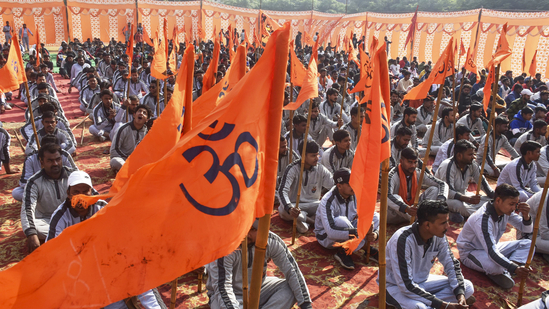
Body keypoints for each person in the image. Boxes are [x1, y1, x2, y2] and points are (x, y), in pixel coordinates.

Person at [46, 171, 166, 309]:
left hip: (107, 263)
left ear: (92, 191)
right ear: (68, 193)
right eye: (76, 192)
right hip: (77, 270)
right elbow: (51, 254)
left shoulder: (102, 207)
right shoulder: (60, 216)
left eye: (86, 191)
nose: (81, 197)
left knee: (138, 271)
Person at [383, 199, 475, 309]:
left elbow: (451, 265)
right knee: (419, 308)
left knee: (467, 287)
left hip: (422, 281)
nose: (447, 227)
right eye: (443, 223)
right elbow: (406, 285)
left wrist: (460, 295)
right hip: (396, 286)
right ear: (427, 225)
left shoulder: (439, 236)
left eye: (447, 221)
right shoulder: (402, 240)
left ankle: (428, 303)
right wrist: (444, 305)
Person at [206, 220, 313, 309]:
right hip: (229, 294)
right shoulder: (226, 247)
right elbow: (223, 287)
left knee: (290, 288)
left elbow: (292, 270)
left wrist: (306, 305)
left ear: (262, 229)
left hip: (259, 289)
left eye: (253, 230)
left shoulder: (271, 240)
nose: (247, 234)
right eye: (245, 228)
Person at [457, 183, 533, 290]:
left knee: (528, 243)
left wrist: (526, 216)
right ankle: (503, 269)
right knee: (496, 267)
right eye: (511, 204)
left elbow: (526, 230)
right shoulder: (483, 219)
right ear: (498, 200)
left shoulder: (505, 211)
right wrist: (514, 268)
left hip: (491, 248)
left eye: (516, 204)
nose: (514, 208)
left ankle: (506, 269)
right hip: (471, 252)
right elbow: (492, 252)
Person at [315, 168, 380, 270]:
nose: (354, 186)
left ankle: (349, 249)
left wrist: (375, 234)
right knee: (341, 221)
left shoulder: (354, 193)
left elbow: (367, 214)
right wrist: (360, 232)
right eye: (350, 184)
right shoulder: (327, 200)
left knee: (375, 216)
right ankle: (349, 250)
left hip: (349, 230)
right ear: (339, 186)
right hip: (326, 237)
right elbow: (331, 231)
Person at [21, 143, 73, 253]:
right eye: (50, 161)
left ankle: (61, 238)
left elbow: (92, 196)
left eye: (58, 159)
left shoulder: (72, 175)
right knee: (35, 228)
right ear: (42, 163)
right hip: (46, 221)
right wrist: (31, 234)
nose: (55, 164)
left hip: (71, 217)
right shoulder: (34, 182)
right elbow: (27, 209)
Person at [278, 141, 333, 233]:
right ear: (303, 155)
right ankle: (312, 221)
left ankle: (304, 220)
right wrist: (290, 208)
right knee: (283, 210)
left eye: (317, 155)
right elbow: (282, 191)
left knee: (328, 206)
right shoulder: (292, 169)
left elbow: (333, 185)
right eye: (313, 156)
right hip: (296, 206)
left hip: (314, 205)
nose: (317, 158)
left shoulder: (320, 169)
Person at [435, 140, 494, 222]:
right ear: (459, 155)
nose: (474, 157)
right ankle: (485, 215)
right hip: (444, 197)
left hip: (463, 194)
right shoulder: (447, 165)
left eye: (473, 154)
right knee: (459, 205)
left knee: (489, 201)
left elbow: (481, 181)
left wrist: (494, 196)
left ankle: (456, 212)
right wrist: (468, 199)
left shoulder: (472, 164)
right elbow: (448, 191)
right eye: (470, 154)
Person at [387, 147, 449, 225]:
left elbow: (442, 184)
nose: (413, 165)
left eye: (415, 162)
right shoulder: (392, 175)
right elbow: (387, 196)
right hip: (394, 214)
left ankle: (421, 218)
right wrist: (406, 209)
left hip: (414, 211)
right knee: (396, 197)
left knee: (434, 190)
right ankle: (422, 220)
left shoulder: (418, 172)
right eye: (409, 162)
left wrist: (441, 200)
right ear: (401, 161)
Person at [12, 135, 76, 202]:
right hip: (41, 190)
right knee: (16, 192)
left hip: (62, 186)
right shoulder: (31, 158)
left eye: (57, 159)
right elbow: (24, 181)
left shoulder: (64, 155)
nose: (55, 164)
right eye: (49, 160)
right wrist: (40, 187)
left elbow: (75, 175)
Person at [110, 104, 151, 172]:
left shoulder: (147, 132)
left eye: (144, 113)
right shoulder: (123, 129)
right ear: (134, 115)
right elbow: (114, 150)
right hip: (123, 159)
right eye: (139, 111)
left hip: (138, 161)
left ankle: (128, 171)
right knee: (115, 161)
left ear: (147, 119)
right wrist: (128, 159)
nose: (141, 113)